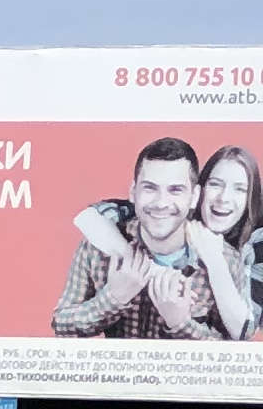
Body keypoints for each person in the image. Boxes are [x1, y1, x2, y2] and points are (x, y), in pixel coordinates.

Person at [53, 136, 239, 338]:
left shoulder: (224, 260)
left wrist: (180, 323)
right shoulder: (98, 246)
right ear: (133, 192)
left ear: (194, 197)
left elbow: (234, 355)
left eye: (175, 190)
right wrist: (113, 298)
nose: (161, 203)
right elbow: (62, 324)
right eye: (150, 188)